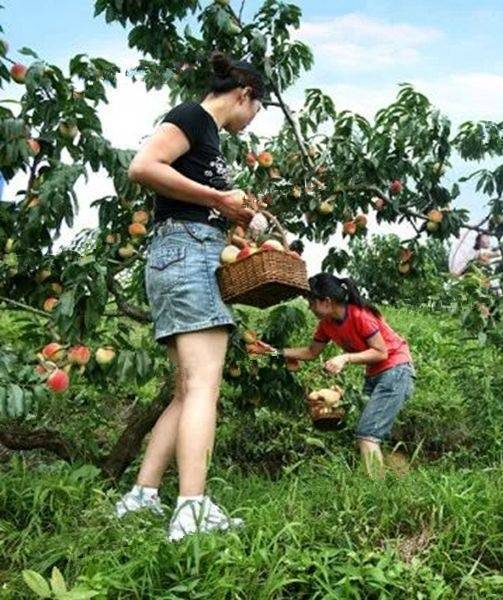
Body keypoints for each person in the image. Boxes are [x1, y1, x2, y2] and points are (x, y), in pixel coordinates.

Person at [115, 51, 265, 541]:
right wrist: (220, 200)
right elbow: (143, 166)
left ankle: (141, 497)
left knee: (185, 391)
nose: (252, 120)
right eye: (256, 110)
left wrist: (232, 219)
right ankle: (192, 509)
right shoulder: (191, 117)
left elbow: (194, 199)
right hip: (186, 253)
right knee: (205, 387)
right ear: (244, 95)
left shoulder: (208, 135)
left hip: (183, 252)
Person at [249, 273, 415, 478]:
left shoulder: (359, 316)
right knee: (370, 432)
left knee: (367, 433)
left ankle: (377, 492)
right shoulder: (326, 324)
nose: (309, 308)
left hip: (396, 370)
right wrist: (272, 351)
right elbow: (310, 353)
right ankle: (392, 477)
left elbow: (381, 352)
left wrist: (345, 358)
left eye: (311, 303)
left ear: (326, 302)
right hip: (375, 375)